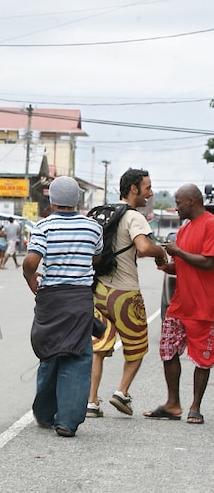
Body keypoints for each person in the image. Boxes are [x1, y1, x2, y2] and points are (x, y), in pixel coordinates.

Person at [22, 176, 103, 437]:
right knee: (78, 356)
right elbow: (96, 257)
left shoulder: (43, 226)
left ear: (52, 199)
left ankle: (45, 414)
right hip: (79, 299)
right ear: (77, 199)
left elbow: (32, 261)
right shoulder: (93, 228)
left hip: (51, 299)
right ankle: (67, 421)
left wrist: (29, 278)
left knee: (50, 352)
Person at [86, 168, 168, 418]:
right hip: (125, 293)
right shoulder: (134, 217)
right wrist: (161, 252)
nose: (150, 194)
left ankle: (91, 401)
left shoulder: (104, 213)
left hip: (99, 290)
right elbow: (143, 247)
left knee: (99, 347)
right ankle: (122, 392)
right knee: (138, 346)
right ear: (133, 189)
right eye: (147, 188)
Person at [144, 184, 214, 424]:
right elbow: (183, 268)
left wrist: (179, 253)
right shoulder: (184, 230)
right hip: (180, 305)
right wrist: (166, 264)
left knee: (202, 359)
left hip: (204, 306)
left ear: (193, 201)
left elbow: (207, 263)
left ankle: (195, 406)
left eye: (179, 202)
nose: (176, 207)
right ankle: (173, 403)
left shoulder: (210, 224)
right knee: (167, 349)